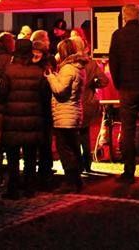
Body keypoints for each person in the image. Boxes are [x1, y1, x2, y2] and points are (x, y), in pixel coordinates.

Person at [108, 4, 139, 183]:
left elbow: (113, 62)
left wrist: (118, 83)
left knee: (128, 130)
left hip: (127, 88)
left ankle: (128, 171)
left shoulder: (118, 35)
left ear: (124, 17)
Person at [1, 38, 46, 199]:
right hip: (32, 117)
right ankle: (29, 188)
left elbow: (3, 93)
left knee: (13, 158)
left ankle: (13, 188)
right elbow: (44, 95)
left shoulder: (9, 71)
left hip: (12, 118)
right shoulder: (37, 72)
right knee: (30, 156)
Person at [46, 38, 89, 192]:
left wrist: (51, 77)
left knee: (64, 149)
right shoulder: (79, 67)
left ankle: (71, 181)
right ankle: (77, 180)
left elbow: (60, 90)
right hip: (73, 112)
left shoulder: (68, 68)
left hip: (65, 114)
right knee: (73, 147)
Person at [71, 33, 109, 174]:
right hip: (87, 103)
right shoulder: (91, 63)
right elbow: (104, 81)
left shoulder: (68, 64)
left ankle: (76, 164)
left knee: (73, 135)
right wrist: (93, 84)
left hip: (72, 103)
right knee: (85, 135)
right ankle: (87, 163)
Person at [30, 31, 55, 189]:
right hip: (36, 109)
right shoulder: (40, 65)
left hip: (42, 109)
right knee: (38, 143)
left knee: (43, 143)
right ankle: (39, 175)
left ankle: (42, 173)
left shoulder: (47, 64)